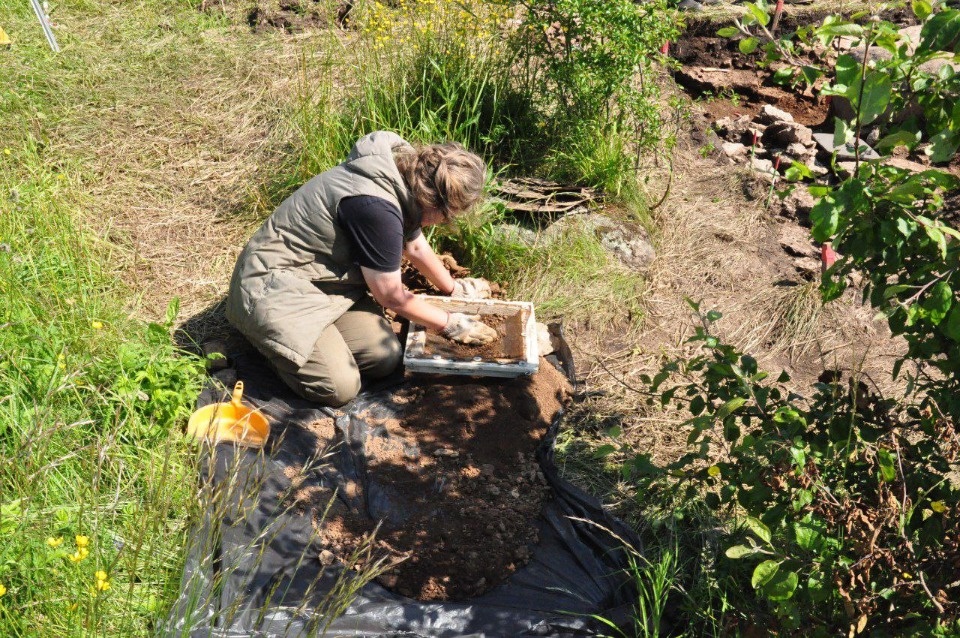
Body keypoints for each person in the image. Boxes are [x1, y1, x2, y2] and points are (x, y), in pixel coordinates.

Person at [225, 131, 498, 407]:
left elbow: (415, 247)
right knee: (340, 388)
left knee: (385, 357)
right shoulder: (376, 208)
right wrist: (450, 324)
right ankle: (270, 344)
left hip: (324, 283)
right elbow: (390, 296)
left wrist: (453, 288)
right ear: (437, 203)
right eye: (448, 215)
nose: (441, 223)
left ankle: (309, 342)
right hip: (272, 289)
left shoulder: (407, 176)